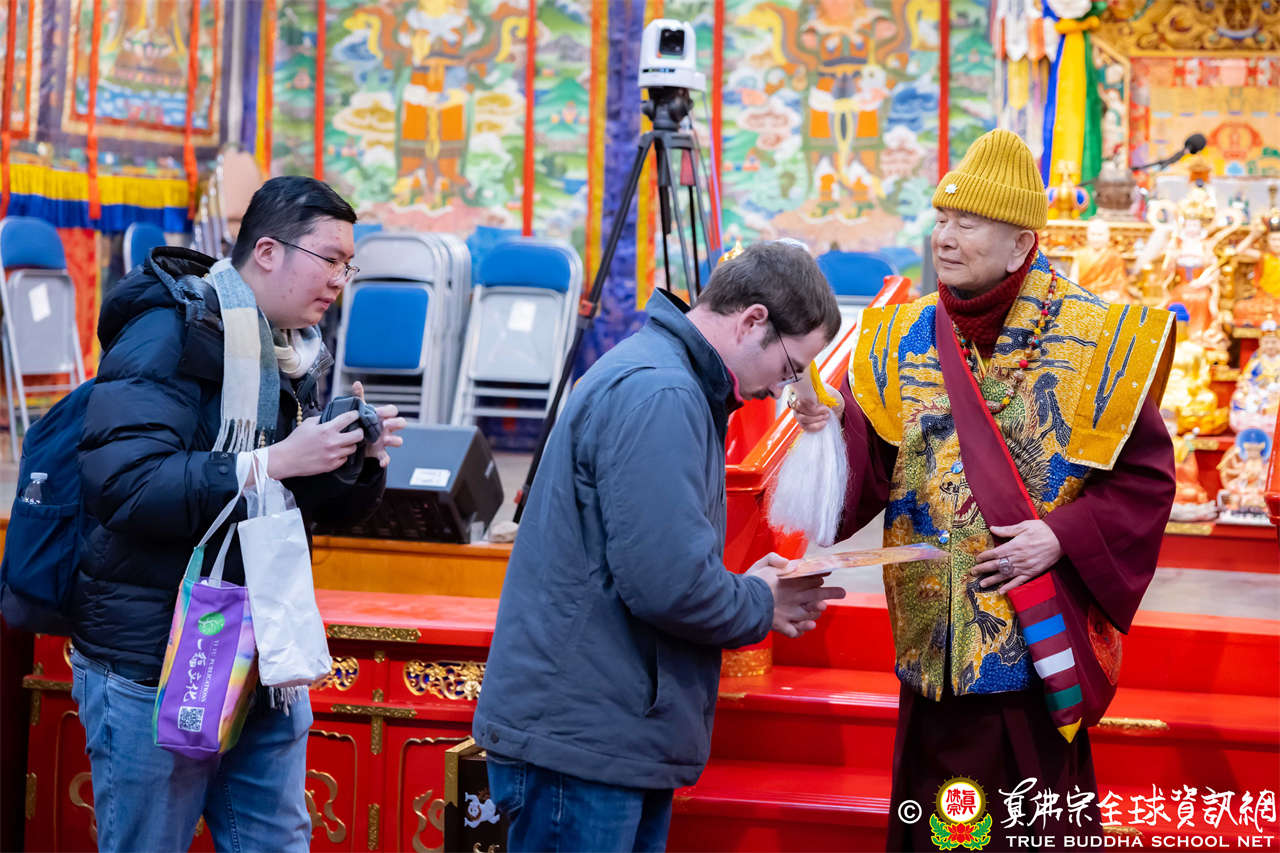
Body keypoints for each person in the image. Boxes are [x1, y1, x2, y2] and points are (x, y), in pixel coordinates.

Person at [788, 129, 1177, 851]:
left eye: (968, 224)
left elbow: (1146, 482)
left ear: (1022, 244)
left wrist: (1061, 535)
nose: (945, 237)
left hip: (1031, 645)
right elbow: (870, 466)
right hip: (933, 648)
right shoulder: (897, 338)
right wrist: (828, 424)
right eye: (941, 218)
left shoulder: (1100, 337)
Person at [473, 241, 847, 852]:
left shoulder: (664, 376)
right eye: (789, 367)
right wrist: (762, 600)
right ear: (752, 320)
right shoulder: (662, 393)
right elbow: (667, 584)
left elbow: (649, 557)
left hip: (603, 724)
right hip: (586, 735)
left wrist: (748, 585)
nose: (782, 388)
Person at [69, 176, 406, 853]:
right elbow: (126, 485)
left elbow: (292, 500)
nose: (339, 280)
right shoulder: (167, 331)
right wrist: (272, 460)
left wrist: (356, 461)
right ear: (269, 251)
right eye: (330, 258)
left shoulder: (293, 352)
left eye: (348, 265)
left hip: (260, 643)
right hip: (155, 650)